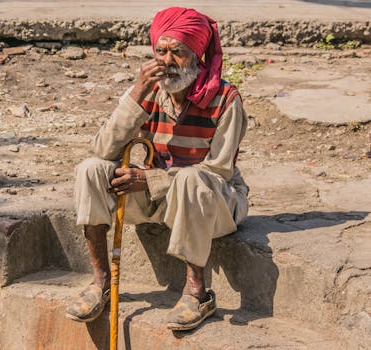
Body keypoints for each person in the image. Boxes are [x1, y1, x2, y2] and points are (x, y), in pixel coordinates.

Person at [65, 6, 249, 331]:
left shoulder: (226, 99)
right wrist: (137, 93)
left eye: (177, 52)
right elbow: (103, 148)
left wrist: (149, 180)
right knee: (91, 170)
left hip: (217, 202)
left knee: (193, 178)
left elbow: (217, 171)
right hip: (159, 200)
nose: (166, 61)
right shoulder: (148, 91)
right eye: (160, 51)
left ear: (196, 54)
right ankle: (100, 282)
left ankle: (197, 292)